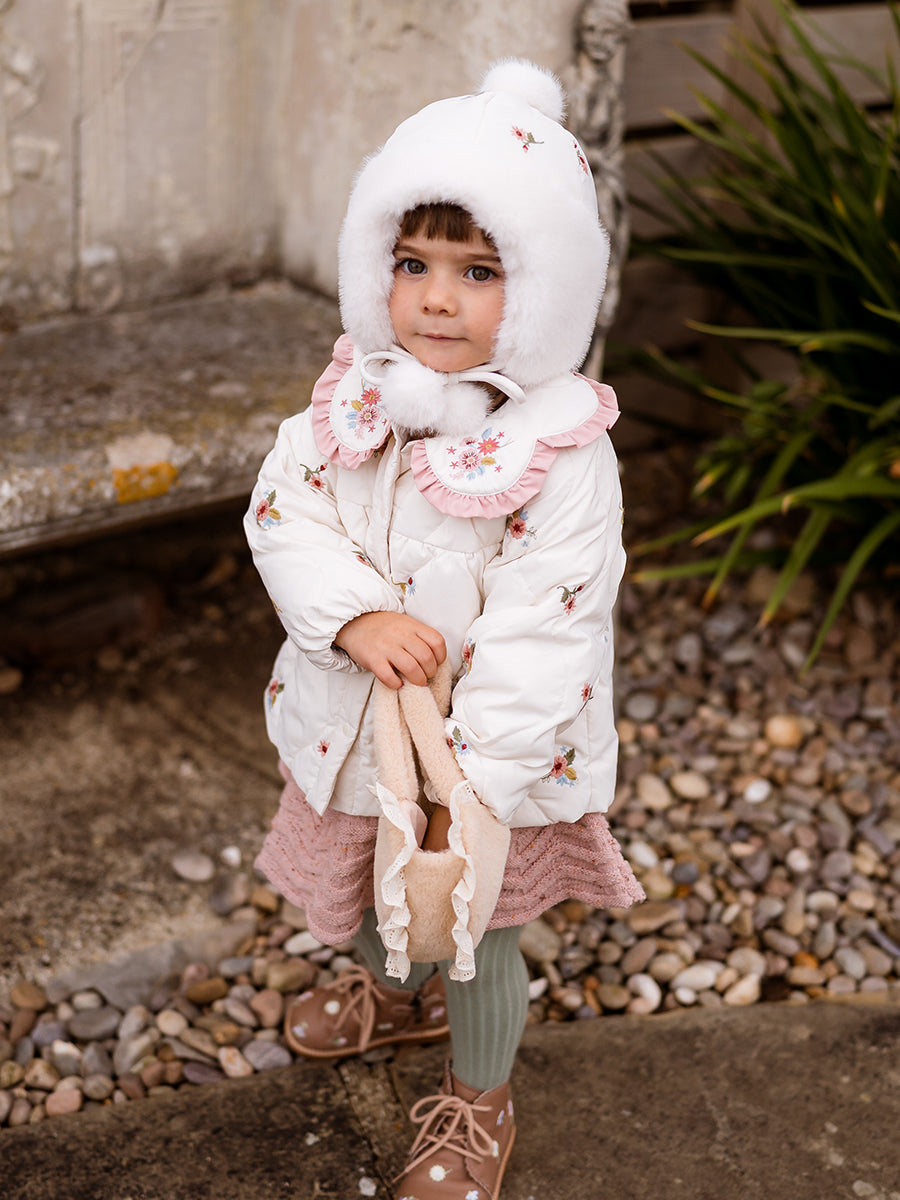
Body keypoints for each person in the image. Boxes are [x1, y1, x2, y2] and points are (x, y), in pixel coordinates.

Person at [245, 58, 644, 1200]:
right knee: (366, 884)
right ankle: (392, 987)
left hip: (489, 766)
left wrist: (475, 785)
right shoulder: (354, 399)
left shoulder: (559, 453)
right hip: (359, 729)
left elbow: (551, 626)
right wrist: (355, 615)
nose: (433, 299)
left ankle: (479, 1094)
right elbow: (284, 512)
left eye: (480, 272)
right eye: (411, 263)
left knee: (474, 925)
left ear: (548, 288)